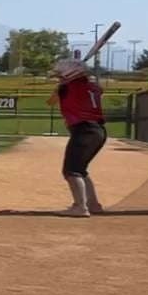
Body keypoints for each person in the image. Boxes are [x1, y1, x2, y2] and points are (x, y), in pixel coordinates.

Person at [48, 56, 107, 217]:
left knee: (71, 170)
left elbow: (51, 102)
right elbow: (97, 89)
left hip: (83, 130)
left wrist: (61, 86)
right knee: (80, 169)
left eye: (61, 73)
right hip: (98, 131)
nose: (58, 76)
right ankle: (93, 205)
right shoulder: (94, 87)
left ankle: (80, 207)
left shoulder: (65, 88)